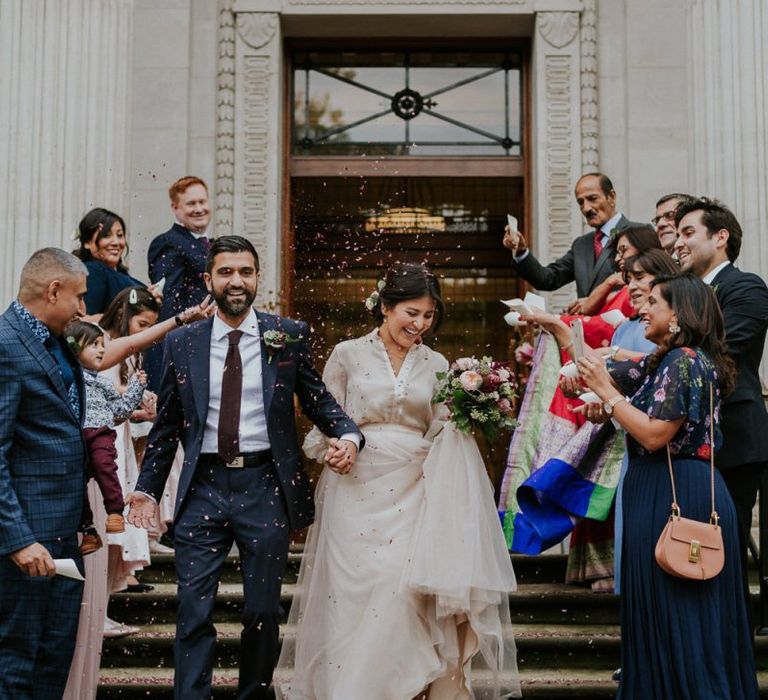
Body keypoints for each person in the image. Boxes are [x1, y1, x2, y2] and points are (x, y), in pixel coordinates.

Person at [127, 235, 362, 699]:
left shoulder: (287, 334)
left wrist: (349, 436)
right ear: (208, 279)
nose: (237, 281)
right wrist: (147, 489)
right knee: (193, 608)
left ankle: (254, 693)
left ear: (257, 278)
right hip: (203, 487)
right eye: (227, 272)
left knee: (263, 610)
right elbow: (168, 426)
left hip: (265, 486)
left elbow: (317, 400)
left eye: (246, 272)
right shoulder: (182, 342)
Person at [276, 262, 520, 700]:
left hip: (416, 492)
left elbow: (440, 427)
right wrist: (331, 450)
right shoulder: (347, 354)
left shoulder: (439, 362)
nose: (420, 324)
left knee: (402, 598)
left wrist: (470, 414)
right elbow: (320, 427)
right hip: (354, 493)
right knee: (351, 604)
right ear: (385, 307)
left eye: (428, 316)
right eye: (412, 312)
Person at [576, 273, 758, 698]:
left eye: (654, 301)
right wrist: (607, 405)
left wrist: (607, 391)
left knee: (680, 612)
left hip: (677, 492)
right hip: (656, 488)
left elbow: (656, 434)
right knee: (659, 611)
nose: (643, 307)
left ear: (678, 314)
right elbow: (637, 414)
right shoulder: (669, 361)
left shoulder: (686, 360)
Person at [0, 248, 88, 698]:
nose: (83, 309)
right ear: (54, 290)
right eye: (79, 297)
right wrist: (17, 539)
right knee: (16, 663)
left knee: (53, 662)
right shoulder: (5, 344)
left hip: (62, 536)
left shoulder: (55, 340)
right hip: (26, 543)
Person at [674, 196, 768, 607]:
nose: (678, 243)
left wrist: (664, 353)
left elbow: (726, 350)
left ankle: (732, 655)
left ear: (721, 237)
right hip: (687, 441)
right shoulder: (685, 295)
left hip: (734, 437)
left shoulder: (746, 287)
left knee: (724, 547)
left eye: (688, 232)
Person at [502, 172, 650, 311]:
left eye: (592, 199)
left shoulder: (641, 233)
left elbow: (651, 283)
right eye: (580, 202)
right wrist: (521, 251)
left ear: (611, 197)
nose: (586, 208)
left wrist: (594, 300)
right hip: (587, 334)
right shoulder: (581, 245)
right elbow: (547, 279)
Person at [65, 320, 148, 551]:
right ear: (74, 347)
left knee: (105, 466)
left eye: (103, 344)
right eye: (94, 344)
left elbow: (121, 411)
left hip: (100, 433)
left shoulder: (104, 383)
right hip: (73, 436)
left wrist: (135, 388)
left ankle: (114, 512)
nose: (101, 349)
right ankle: (88, 529)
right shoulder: (65, 379)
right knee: (75, 480)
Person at [145, 176, 212, 391]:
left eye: (202, 201)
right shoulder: (167, 242)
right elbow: (167, 299)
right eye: (191, 203)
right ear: (175, 208)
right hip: (183, 345)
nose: (199, 208)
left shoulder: (208, 245)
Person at [73, 208, 148, 315]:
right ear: (87, 242)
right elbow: (87, 320)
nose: (116, 242)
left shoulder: (119, 274)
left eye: (120, 235)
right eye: (106, 235)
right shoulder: (92, 271)